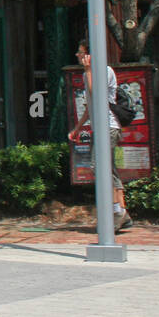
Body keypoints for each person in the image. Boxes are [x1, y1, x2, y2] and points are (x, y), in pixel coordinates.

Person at [68, 39, 131, 230]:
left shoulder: (104, 70)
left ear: (90, 55)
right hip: (100, 127)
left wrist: (88, 71)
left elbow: (98, 95)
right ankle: (123, 212)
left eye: (81, 52)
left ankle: (115, 212)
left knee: (99, 166)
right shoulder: (89, 73)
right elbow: (90, 105)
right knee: (109, 169)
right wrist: (78, 128)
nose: (78, 56)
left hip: (108, 127)